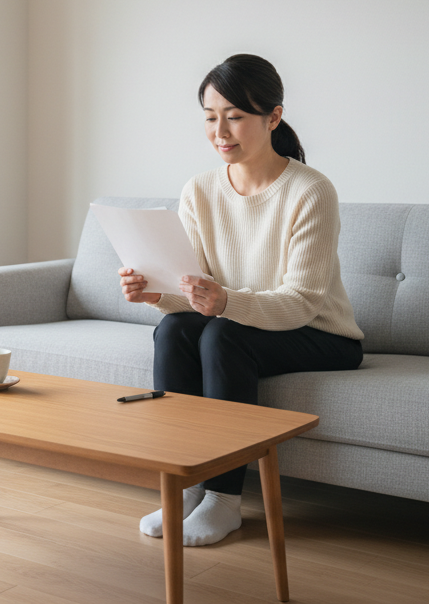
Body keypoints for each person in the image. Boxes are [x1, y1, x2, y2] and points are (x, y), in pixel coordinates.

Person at [117, 53, 364, 547]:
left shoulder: (310, 191)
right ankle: (185, 484)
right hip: (239, 323)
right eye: (211, 117)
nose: (220, 131)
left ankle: (225, 500)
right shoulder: (200, 189)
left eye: (235, 116)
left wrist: (224, 301)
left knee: (225, 334)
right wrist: (157, 293)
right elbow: (196, 297)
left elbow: (300, 303)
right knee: (175, 329)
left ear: (273, 117)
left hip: (321, 334)